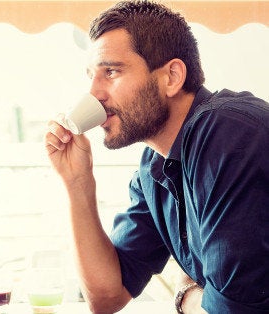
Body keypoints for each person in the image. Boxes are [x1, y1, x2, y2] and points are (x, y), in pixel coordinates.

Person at [44, 1, 268, 313]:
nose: (94, 93)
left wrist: (186, 296)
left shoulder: (229, 133)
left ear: (172, 77)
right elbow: (108, 297)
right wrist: (78, 183)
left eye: (111, 71)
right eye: (91, 76)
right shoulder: (156, 167)